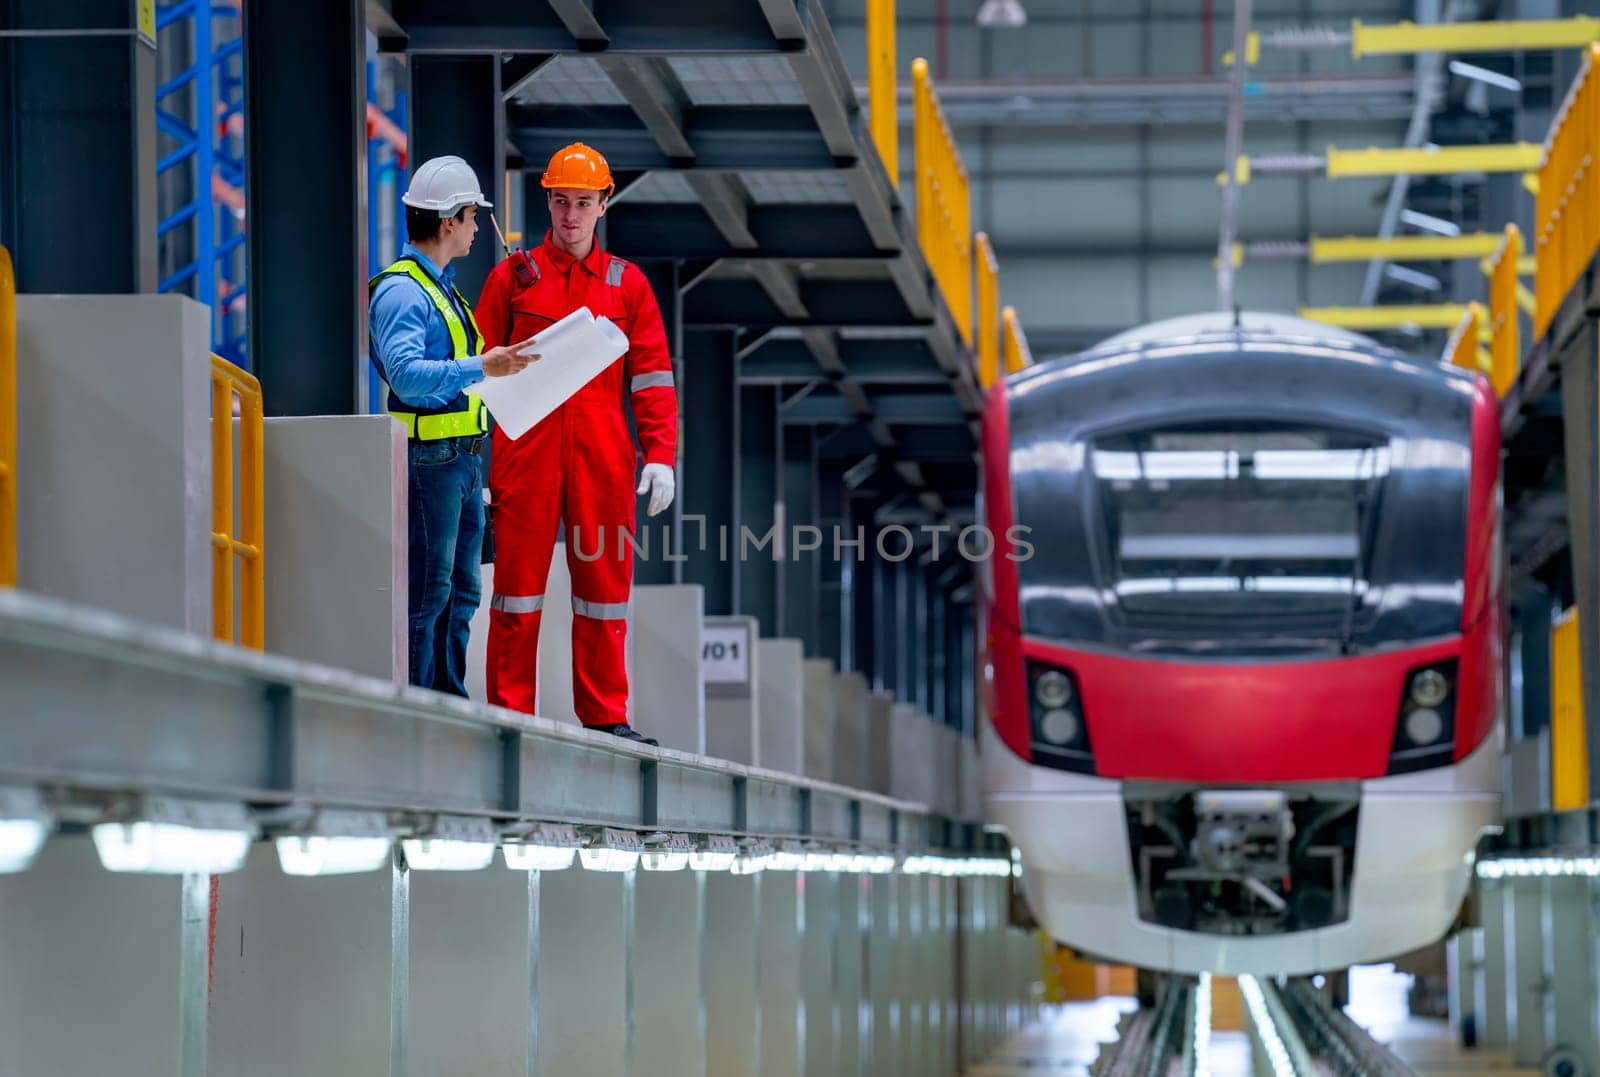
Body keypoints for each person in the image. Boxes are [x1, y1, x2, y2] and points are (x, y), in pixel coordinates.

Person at [476, 142, 677, 744]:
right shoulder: (512, 279)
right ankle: (512, 716)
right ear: (548, 201)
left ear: (603, 204)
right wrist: (475, 458)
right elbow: (474, 374)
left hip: (602, 458)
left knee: (604, 591)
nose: (569, 216)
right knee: (515, 591)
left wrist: (662, 455)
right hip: (524, 455)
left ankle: (606, 717)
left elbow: (653, 379)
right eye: (561, 202)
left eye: (582, 203)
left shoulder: (628, 286)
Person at [369, 155, 537, 695]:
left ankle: (447, 703)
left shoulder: (440, 287)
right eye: (472, 218)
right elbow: (407, 376)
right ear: (450, 221)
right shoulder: (402, 291)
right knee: (429, 594)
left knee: (461, 592)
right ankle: (419, 710)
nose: (475, 229)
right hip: (430, 465)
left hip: (460, 462)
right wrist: (485, 365)